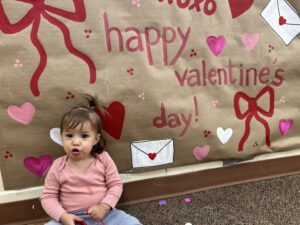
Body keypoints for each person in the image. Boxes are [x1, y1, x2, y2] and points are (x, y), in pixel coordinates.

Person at [40, 96, 141, 225]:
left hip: (106, 215)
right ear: (62, 137)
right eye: (69, 135)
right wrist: (63, 216)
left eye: (84, 136)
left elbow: (115, 185)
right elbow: (48, 197)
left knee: (132, 223)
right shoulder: (58, 165)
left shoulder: (103, 158)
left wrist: (104, 206)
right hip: (71, 218)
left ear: (96, 139)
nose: (76, 142)